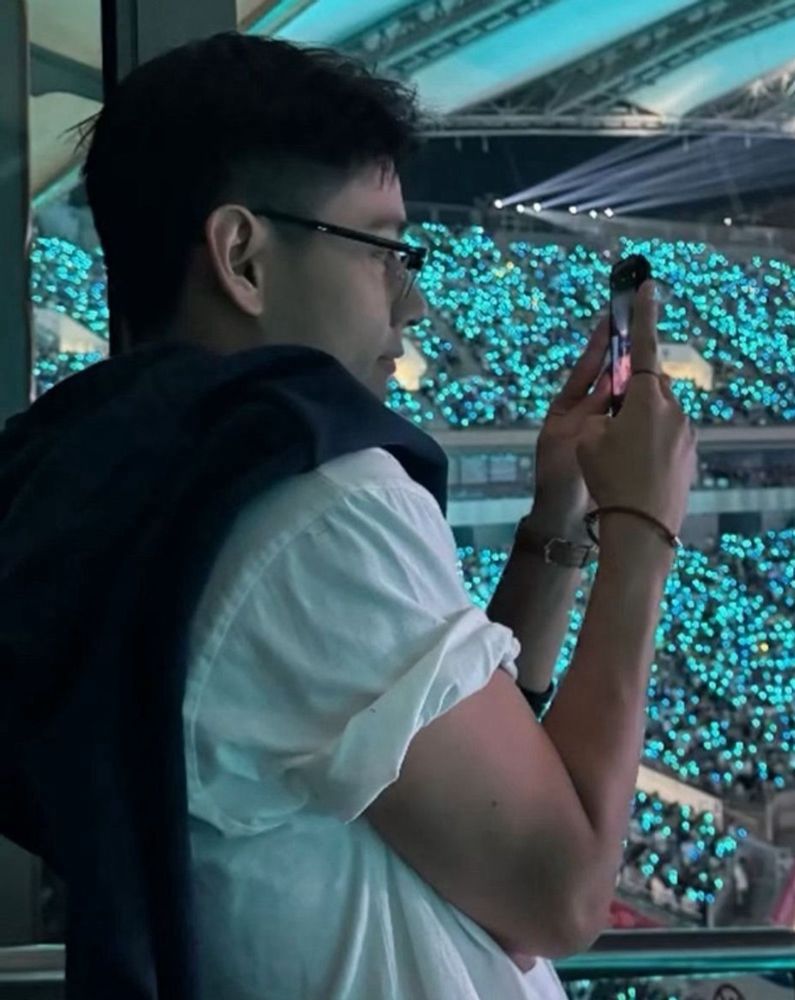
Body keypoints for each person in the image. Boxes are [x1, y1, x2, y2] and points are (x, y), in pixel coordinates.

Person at [75, 32, 695, 1000]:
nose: (408, 302)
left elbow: (462, 757)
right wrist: (642, 534)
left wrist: (557, 521)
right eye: (382, 250)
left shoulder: (152, 469)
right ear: (242, 256)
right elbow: (559, 895)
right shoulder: (315, 504)